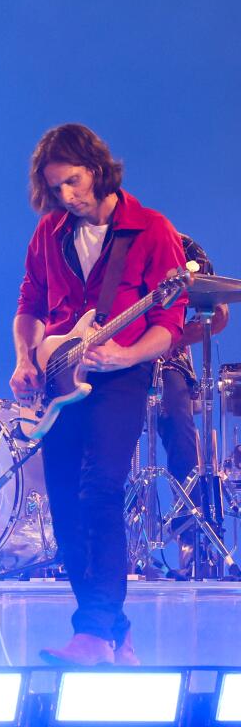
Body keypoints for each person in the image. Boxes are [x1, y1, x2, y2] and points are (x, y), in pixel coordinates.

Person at [11, 123, 186, 666]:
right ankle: (115, 630)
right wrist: (24, 358)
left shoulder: (152, 230)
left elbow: (170, 321)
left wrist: (128, 355)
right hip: (60, 378)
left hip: (121, 376)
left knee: (100, 492)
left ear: (98, 168)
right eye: (56, 187)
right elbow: (30, 306)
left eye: (74, 182)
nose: (67, 195)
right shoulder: (50, 232)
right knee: (63, 501)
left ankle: (90, 633)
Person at [154, 236, 228, 573]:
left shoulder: (185, 248)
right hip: (114, 360)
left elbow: (219, 313)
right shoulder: (107, 249)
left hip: (168, 360)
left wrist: (175, 338)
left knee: (178, 420)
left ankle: (190, 533)